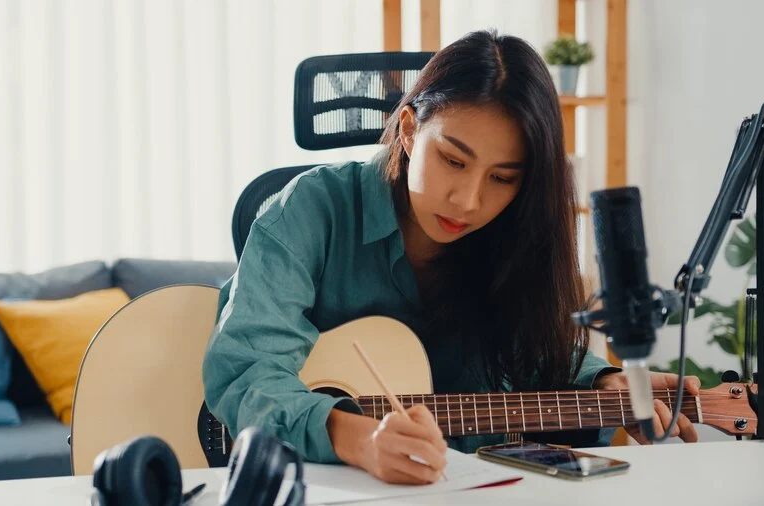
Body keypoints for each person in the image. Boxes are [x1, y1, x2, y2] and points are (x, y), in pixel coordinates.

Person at [203, 28, 701, 485]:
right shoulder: (310, 208)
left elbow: (538, 353)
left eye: (502, 178)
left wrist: (602, 383)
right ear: (408, 130)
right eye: (453, 160)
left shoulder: (516, 238)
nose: (468, 200)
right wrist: (356, 439)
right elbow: (246, 370)